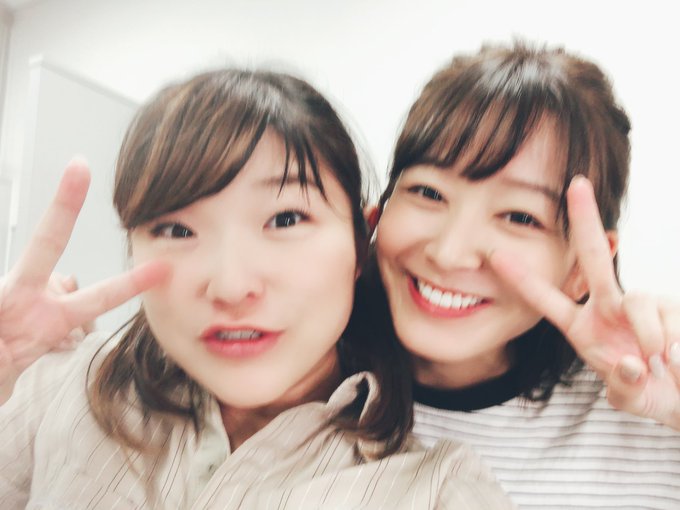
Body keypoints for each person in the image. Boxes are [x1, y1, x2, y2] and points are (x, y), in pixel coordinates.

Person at [0, 69, 513, 508]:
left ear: (362, 243)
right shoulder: (56, 389)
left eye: (285, 219)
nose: (230, 286)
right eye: (177, 229)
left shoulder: (438, 490)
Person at [353, 42, 680, 509]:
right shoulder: (304, 389)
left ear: (582, 270)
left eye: (520, 217)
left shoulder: (649, 418)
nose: (449, 253)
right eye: (428, 191)